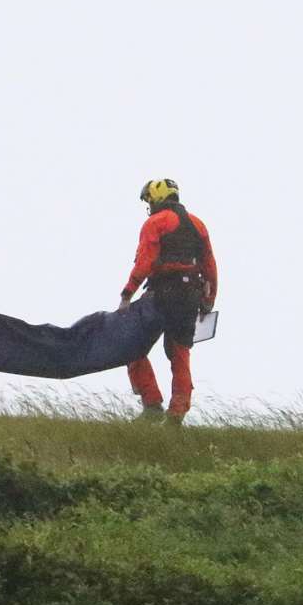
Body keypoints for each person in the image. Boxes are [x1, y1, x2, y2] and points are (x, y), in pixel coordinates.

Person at [118, 179, 217, 426]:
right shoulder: (198, 224)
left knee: (131, 342)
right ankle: (176, 414)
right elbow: (210, 266)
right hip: (190, 298)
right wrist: (208, 301)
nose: (149, 206)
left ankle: (152, 405)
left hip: (162, 295)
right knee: (180, 354)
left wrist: (127, 294)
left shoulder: (155, 222)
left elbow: (144, 262)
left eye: (149, 201)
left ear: (157, 198)